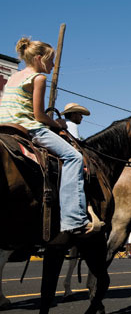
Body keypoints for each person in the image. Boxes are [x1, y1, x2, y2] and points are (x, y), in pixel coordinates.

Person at [0, 37, 97, 235]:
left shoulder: (14, 77)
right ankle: (73, 218)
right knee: (74, 157)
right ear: (38, 59)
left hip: (4, 126)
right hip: (29, 128)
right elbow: (39, 115)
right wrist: (58, 123)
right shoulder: (39, 78)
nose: (53, 65)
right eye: (51, 60)